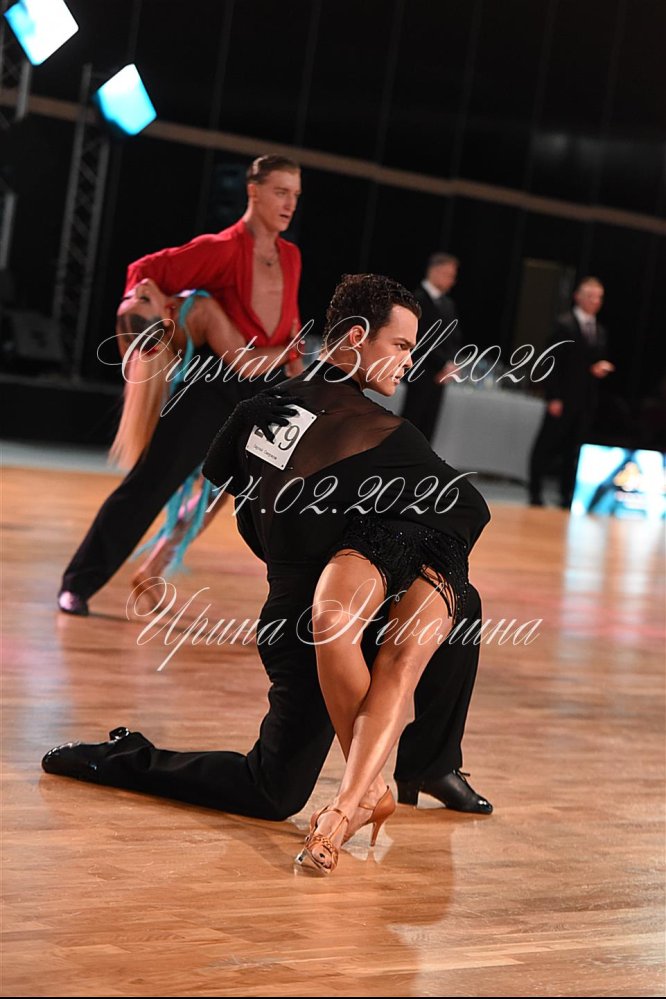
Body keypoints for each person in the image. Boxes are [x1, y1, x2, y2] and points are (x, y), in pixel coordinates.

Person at [41, 275, 493, 859]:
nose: (409, 361)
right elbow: (468, 508)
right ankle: (418, 769)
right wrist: (377, 550)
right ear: (357, 337)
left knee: (272, 790)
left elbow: (240, 503)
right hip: (319, 631)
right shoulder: (386, 435)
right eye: (401, 345)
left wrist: (329, 557)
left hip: (289, 621)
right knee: (454, 593)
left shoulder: (262, 409)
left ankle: (427, 767)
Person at [57, 154, 304, 616]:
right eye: (280, 192)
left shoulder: (291, 255)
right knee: (153, 481)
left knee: (227, 490)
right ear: (253, 192)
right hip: (215, 384)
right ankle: (78, 583)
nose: (289, 203)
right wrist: (147, 308)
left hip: (265, 386)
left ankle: (153, 567)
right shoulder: (221, 249)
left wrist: (293, 360)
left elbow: (286, 317)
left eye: (295, 195)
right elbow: (144, 270)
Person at [528, 276, 615, 508]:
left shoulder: (599, 330)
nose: (595, 301)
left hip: (585, 400)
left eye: (599, 297)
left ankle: (567, 495)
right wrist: (553, 396)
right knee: (547, 445)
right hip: (563, 397)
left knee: (574, 450)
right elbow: (551, 362)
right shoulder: (564, 324)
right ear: (578, 297)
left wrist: (598, 368)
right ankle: (535, 492)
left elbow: (590, 361)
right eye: (591, 296)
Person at [401, 253, 462, 442]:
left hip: (439, 377)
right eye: (448, 275)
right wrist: (443, 363)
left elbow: (454, 338)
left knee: (428, 429)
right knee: (411, 423)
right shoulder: (416, 299)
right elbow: (420, 338)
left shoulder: (448, 304)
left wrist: (450, 364)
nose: (452, 281)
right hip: (419, 373)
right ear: (434, 271)